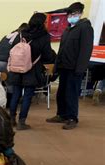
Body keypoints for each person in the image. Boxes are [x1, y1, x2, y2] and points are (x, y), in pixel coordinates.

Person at [46, 2, 94, 130]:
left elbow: (85, 50)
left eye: (74, 14)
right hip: (64, 67)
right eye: (70, 14)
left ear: (80, 13)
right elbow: (61, 50)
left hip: (74, 69)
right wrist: (56, 66)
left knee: (71, 94)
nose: (72, 16)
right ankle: (61, 115)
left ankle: (72, 118)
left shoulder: (85, 28)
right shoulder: (68, 29)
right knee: (61, 93)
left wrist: (80, 68)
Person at [7, 12, 56, 130]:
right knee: (28, 96)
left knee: (16, 94)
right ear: (41, 23)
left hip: (16, 69)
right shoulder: (44, 36)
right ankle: (22, 122)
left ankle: (11, 119)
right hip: (32, 69)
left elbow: (12, 49)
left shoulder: (21, 34)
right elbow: (47, 55)